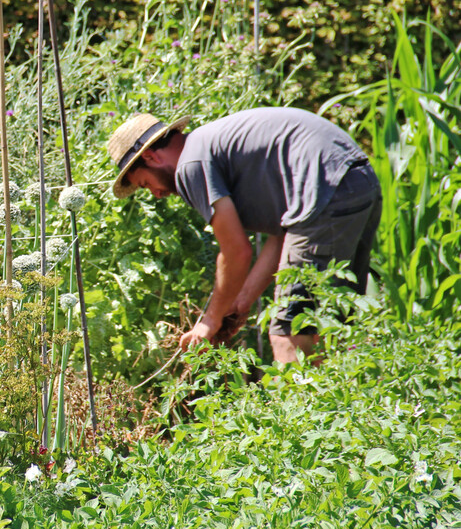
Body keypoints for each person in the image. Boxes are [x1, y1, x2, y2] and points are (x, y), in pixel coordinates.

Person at [107, 107, 381, 363]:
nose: (157, 193)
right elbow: (286, 236)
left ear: (150, 157)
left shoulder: (191, 164)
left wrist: (209, 321)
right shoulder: (209, 146)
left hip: (326, 190)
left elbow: (236, 252)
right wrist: (242, 300)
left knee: (289, 330)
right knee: (332, 324)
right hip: (357, 179)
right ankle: (347, 407)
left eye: (146, 183)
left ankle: (298, 413)